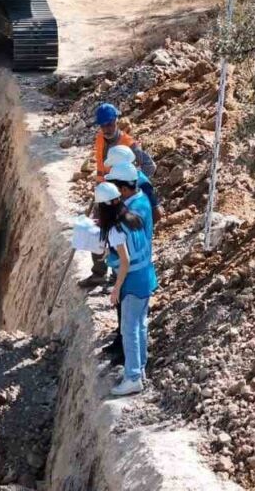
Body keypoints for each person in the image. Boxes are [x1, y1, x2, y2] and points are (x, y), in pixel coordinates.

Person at [80, 102, 157, 288]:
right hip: (103, 194)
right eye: (103, 125)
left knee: (119, 235)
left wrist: (131, 185)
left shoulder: (129, 145)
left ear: (116, 121)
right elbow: (101, 167)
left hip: (119, 198)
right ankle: (98, 273)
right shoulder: (99, 139)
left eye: (110, 124)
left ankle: (117, 275)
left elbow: (150, 166)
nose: (107, 128)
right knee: (97, 232)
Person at [93, 181, 157, 396]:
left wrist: (116, 288)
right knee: (140, 325)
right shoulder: (132, 217)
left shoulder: (115, 230)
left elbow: (125, 261)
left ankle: (132, 378)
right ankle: (139, 369)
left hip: (132, 280)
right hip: (146, 276)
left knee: (128, 329)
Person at [101, 162, 156, 366]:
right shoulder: (133, 205)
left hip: (133, 275)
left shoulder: (136, 208)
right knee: (132, 323)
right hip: (137, 272)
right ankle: (131, 358)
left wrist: (116, 287)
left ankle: (131, 368)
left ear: (124, 188)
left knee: (131, 325)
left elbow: (126, 256)